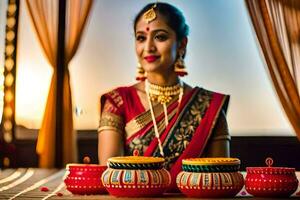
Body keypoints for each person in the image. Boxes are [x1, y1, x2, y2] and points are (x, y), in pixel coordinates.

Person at [98, 2, 231, 190]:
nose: (148, 47)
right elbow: (111, 177)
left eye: (160, 37)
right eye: (141, 38)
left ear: (182, 43)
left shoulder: (209, 107)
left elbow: (218, 183)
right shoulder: (118, 101)